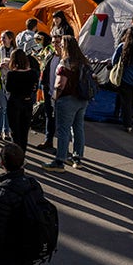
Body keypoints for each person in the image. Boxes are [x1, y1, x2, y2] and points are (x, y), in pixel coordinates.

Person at [41, 36, 90, 171]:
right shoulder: (83, 61)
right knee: (78, 128)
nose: (60, 47)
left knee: (63, 130)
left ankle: (59, 161)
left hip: (67, 99)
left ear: (66, 47)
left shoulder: (65, 63)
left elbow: (60, 84)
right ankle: (77, 158)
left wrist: (54, 98)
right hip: (82, 99)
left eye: (62, 45)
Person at [5, 50, 39, 152]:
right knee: (24, 131)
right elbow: (35, 88)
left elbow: (8, 88)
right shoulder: (32, 73)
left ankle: (16, 155)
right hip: (27, 102)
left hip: (14, 102)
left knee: (15, 132)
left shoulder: (11, 74)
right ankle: (22, 154)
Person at [0, 31, 17, 142]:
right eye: (1, 38)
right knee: (0, 107)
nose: (2, 40)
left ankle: (6, 131)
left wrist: (11, 66)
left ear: (10, 39)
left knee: (8, 108)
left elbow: (20, 66)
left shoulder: (15, 52)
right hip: (0, 82)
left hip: (12, 83)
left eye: (4, 38)